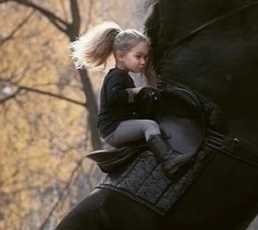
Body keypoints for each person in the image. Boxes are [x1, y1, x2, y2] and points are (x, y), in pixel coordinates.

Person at [71, 21, 191, 177]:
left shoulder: (124, 77)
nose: (143, 62)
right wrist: (136, 92)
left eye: (145, 57)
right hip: (112, 129)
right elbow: (115, 99)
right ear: (120, 56)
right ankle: (170, 162)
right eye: (138, 56)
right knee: (149, 126)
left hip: (120, 124)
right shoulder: (115, 77)